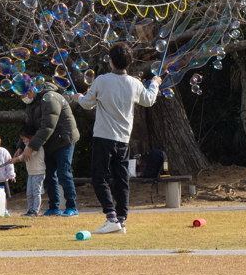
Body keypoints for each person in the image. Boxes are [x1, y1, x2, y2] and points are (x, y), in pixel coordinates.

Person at [73, 42, 160, 234]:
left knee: (99, 176)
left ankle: (111, 217)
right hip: (123, 140)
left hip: (104, 137)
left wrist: (78, 98)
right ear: (128, 62)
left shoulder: (102, 80)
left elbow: (87, 104)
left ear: (111, 61)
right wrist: (154, 83)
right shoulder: (135, 83)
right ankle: (121, 220)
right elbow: (149, 100)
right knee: (121, 178)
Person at [14, 81, 80, 216]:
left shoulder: (50, 98)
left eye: (22, 95)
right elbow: (28, 127)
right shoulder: (32, 103)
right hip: (48, 143)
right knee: (49, 175)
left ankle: (71, 207)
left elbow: (47, 126)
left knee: (63, 173)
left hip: (63, 139)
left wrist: (30, 147)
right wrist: (21, 146)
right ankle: (54, 207)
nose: (21, 99)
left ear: (30, 91)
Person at [15, 125, 46, 217]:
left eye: (24, 139)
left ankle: (35, 211)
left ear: (31, 137)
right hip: (31, 173)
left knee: (36, 193)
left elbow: (24, 157)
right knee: (29, 193)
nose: (23, 141)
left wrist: (15, 160)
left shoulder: (36, 147)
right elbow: (23, 154)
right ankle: (30, 210)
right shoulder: (27, 147)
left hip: (38, 173)